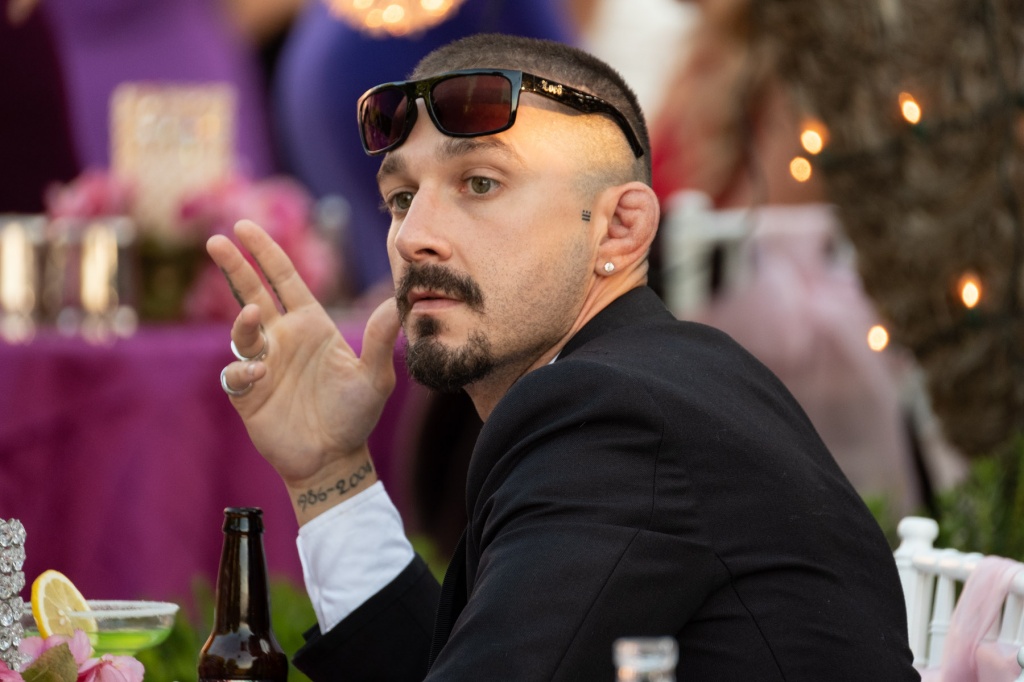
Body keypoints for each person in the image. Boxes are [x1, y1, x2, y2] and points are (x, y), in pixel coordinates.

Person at [207, 34, 919, 680]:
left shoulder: (615, 415)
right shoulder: (653, 382)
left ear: (619, 228)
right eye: (400, 197)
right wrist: (331, 474)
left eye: (480, 183)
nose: (413, 235)